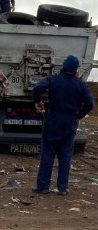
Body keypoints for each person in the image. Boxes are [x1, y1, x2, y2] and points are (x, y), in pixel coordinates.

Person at [32, 55, 94, 196]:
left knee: (48, 153)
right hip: (70, 121)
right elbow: (90, 104)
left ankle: (43, 186)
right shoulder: (80, 84)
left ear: (63, 66)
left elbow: (37, 88)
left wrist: (38, 101)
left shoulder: (54, 79)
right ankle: (62, 187)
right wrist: (78, 115)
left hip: (53, 119)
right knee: (65, 155)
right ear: (76, 70)